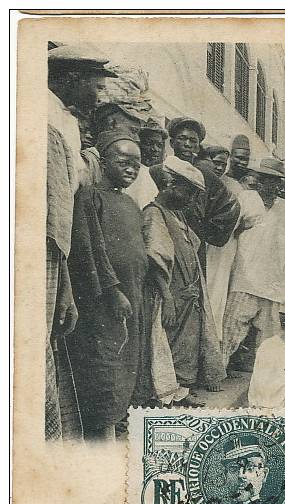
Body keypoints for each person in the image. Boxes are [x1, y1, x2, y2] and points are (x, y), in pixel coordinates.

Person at [45, 45, 114, 439]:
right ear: (71, 80)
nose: (99, 97)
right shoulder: (48, 120)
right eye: (97, 87)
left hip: (56, 249)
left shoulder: (62, 119)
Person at [66, 130, 147, 441]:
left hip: (133, 298)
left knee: (126, 366)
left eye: (136, 165)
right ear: (104, 161)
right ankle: (103, 437)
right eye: (123, 161)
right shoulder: (90, 197)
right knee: (104, 367)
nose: (131, 169)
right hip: (104, 302)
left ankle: (116, 426)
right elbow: (90, 250)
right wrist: (113, 290)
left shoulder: (130, 204)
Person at [143, 156, 227, 407]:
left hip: (188, 294)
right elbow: (156, 257)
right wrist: (168, 297)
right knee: (166, 341)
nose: (191, 199)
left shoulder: (177, 216)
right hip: (168, 293)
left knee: (186, 343)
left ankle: (181, 390)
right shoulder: (154, 213)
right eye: (188, 192)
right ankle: (165, 394)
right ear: (170, 184)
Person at [222, 161, 285, 367]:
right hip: (245, 277)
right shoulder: (246, 199)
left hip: (274, 283)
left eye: (276, 182)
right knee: (230, 328)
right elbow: (228, 230)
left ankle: (266, 376)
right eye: (267, 181)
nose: (272, 186)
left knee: (271, 338)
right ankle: (217, 372)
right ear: (259, 181)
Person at [204, 141, 268, 341]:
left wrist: (238, 228)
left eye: (245, 158)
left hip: (232, 245)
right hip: (213, 243)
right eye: (238, 157)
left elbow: (252, 220)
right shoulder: (220, 180)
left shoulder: (246, 187)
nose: (241, 162)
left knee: (224, 293)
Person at [167, 116, 241, 249]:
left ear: (197, 147)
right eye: (182, 138)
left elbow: (231, 205)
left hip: (192, 244)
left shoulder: (205, 176)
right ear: (172, 142)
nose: (187, 144)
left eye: (193, 140)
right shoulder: (158, 169)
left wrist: (203, 230)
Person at [48, 44, 115, 152]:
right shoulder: (45, 112)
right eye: (99, 88)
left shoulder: (63, 113)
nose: (103, 99)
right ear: (73, 78)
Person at [217, 435, 273, 504]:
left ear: (264, 474)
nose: (240, 475)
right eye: (233, 469)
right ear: (225, 476)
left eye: (250, 468)